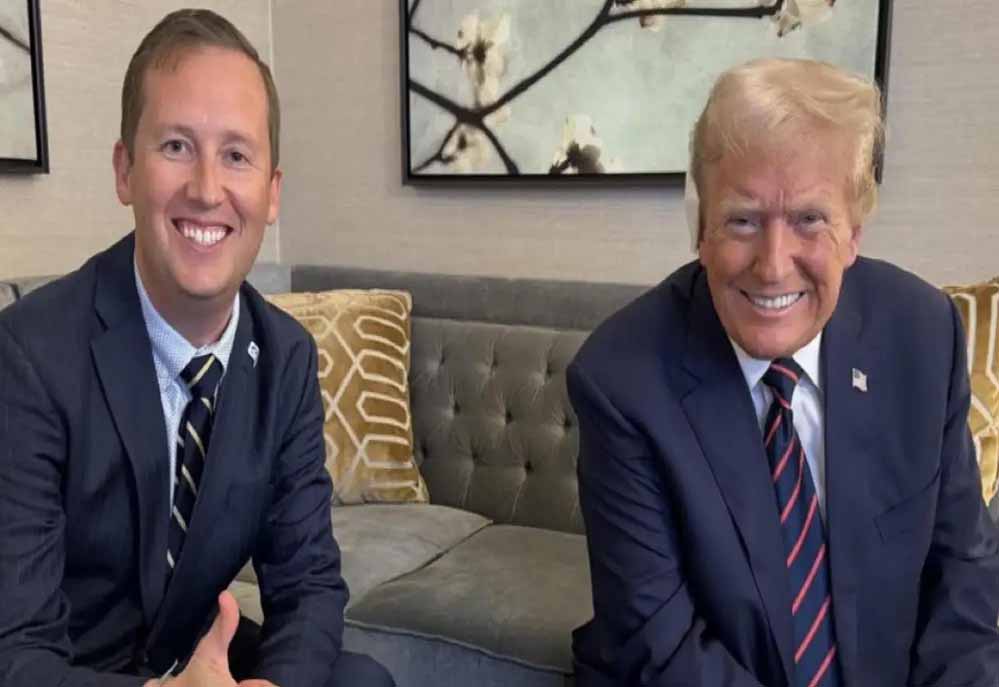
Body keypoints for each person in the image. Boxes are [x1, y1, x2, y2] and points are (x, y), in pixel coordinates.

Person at [568, 58, 999, 686]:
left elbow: (962, 577)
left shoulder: (922, 334)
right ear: (701, 229)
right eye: (742, 220)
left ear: (854, 231)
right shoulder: (620, 379)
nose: (772, 266)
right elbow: (659, 649)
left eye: (809, 220)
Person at [0, 9, 393, 687]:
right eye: (177, 146)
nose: (208, 190)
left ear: (271, 192)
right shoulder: (29, 355)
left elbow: (307, 583)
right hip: (75, 671)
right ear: (125, 170)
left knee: (360, 679)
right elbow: (17, 653)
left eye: (236, 155)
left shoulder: (286, 357)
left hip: (194, 655)